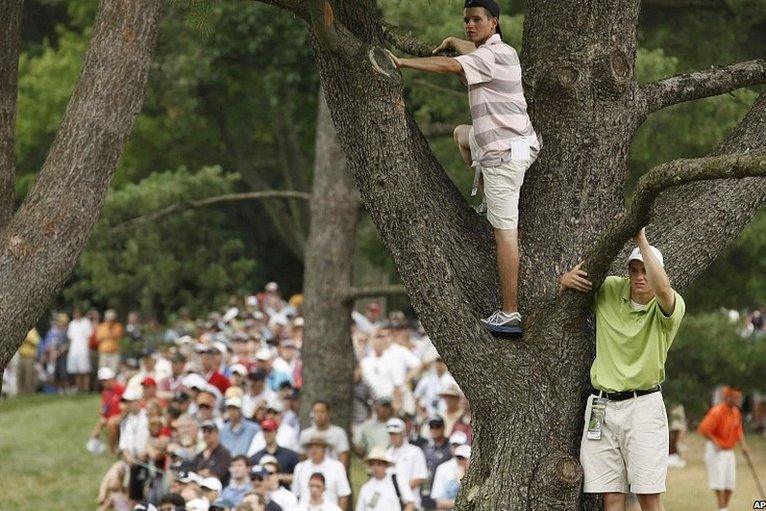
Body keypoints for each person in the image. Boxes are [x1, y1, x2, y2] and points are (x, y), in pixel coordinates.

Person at [389, 0, 541, 333]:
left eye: (476, 20)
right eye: (466, 21)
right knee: (461, 135)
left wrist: (402, 62)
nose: (469, 25)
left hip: (504, 155)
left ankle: (510, 313)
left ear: (494, 22)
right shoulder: (500, 50)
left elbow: (451, 67)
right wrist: (452, 40)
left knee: (505, 234)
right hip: (507, 144)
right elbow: (467, 49)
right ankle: (487, 199)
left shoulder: (491, 56)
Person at [559, 228, 686, 511]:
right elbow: (569, 291)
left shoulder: (668, 305)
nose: (639, 277)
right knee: (611, 496)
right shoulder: (611, 289)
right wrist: (564, 279)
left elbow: (663, 289)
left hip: (642, 406)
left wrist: (641, 239)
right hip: (602, 407)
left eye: (646, 270)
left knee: (648, 496)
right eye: (634, 270)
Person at [698, 386, 752, 511]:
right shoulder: (717, 411)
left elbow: (738, 430)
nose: (739, 400)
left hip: (729, 451)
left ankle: (724, 508)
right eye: (736, 398)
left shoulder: (736, 412)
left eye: (739, 397)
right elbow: (704, 429)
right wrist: (714, 441)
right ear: (727, 397)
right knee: (719, 482)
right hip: (716, 451)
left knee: (730, 483)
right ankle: (722, 508)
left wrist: (743, 444)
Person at [292, 436, 351, 510]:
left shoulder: (337, 467)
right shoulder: (300, 467)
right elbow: (295, 494)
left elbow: (343, 495)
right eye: (311, 447)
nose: (314, 450)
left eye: (317, 447)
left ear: (324, 449)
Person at [386, 418, 428, 510]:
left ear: (403, 433)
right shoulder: (387, 454)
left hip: (411, 504)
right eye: (391, 434)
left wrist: (400, 491)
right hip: (391, 505)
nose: (393, 436)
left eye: (396, 434)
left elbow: (419, 478)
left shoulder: (415, 451)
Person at [356, 447, 415, 511]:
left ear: (386, 465)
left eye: (379, 464)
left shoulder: (397, 480)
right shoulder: (365, 488)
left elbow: (410, 504)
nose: (375, 468)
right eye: (372, 464)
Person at [299, 401, 351, 469]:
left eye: (322, 412)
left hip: (333, 472)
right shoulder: (305, 434)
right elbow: (302, 458)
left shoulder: (339, 433)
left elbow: (344, 457)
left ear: (328, 413)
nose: (319, 415)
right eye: (316, 412)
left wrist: (340, 473)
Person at [250, 418, 300, 488]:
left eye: (269, 431)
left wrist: (280, 477)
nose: (267, 434)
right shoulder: (255, 457)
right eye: (265, 431)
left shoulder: (290, 455)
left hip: (284, 493)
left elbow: (298, 477)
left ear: (276, 432)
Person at [195, 420, 233, 486]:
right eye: (204, 431)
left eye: (209, 431)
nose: (206, 434)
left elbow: (215, 476)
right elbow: (193, 471)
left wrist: (201, 474)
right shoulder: (201, 454)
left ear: (217, 433)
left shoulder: (224, 453)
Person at [67, 307, 94, 392]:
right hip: (74, 350)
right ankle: (79, 388)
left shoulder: (86, 322)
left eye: (77, 313)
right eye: (74, 313)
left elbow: (90, 336)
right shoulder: (72, 324)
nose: (75, 315)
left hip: (83, 349)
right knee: (76, 371)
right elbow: (70, 337)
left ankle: (86, 389)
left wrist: (88, 348)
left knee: (85, 371)